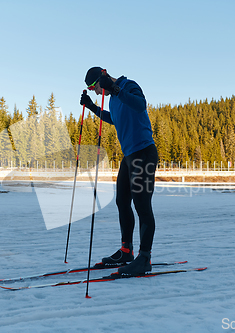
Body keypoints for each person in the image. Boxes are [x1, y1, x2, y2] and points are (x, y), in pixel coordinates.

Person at [80, 67, 158, 276]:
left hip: (144, 152)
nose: (95, 91)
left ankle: (144, 258)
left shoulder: (128, 85)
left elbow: (140, 106)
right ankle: (127, 251)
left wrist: (114, 88)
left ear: (103, 77)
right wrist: (92, 107)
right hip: (129, 156)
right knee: (122, 202)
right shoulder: (112, 98)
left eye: (94, 86)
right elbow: (115, 119)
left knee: (142, 204)